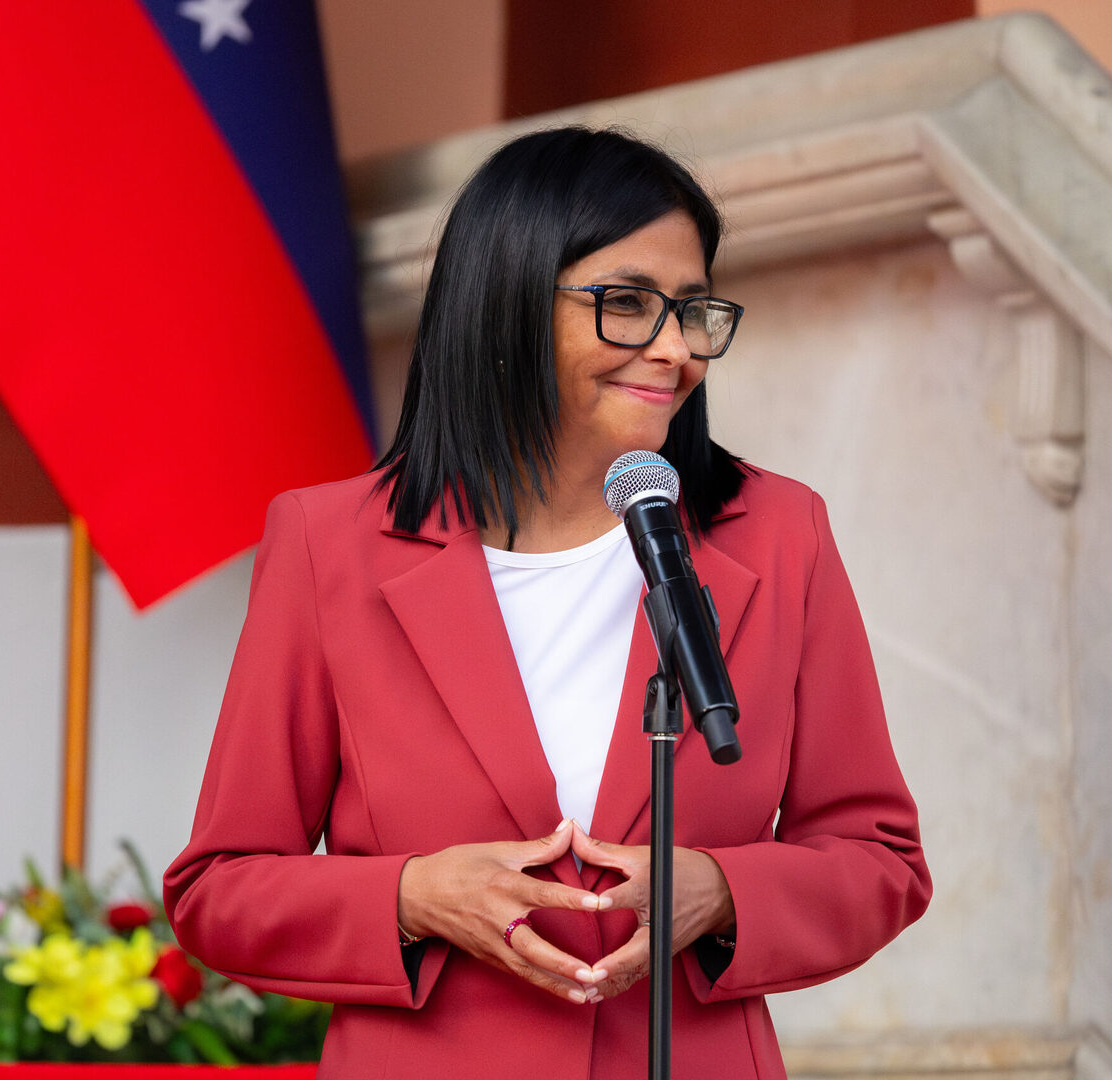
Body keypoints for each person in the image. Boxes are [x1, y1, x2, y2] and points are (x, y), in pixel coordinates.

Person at [163, 126, 930, 1079]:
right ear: (508, 302)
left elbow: (879, 858)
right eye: (627, 303)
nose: (674, 350)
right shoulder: (329, 545)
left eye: (691, 310)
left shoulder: (778, 533)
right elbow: (219, 889)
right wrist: (414, 897)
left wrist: (721, 890)